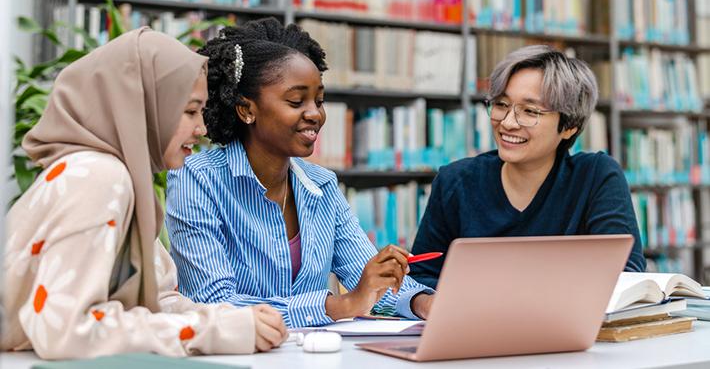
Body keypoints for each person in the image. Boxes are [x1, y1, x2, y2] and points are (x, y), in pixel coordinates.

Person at [2, 28, 286, 360]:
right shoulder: (99, 177)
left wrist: (231, 321)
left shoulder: (124, 181)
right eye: (190, 111)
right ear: (144, 106)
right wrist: (215, 331)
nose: (202, 129)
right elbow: (66, 330)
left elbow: (157, 302)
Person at [166, 18, 435, 327]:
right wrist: (340, 304)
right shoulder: (196, 179)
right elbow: (215, 303)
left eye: (319, 101)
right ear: (246, 109)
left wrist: (424, 302)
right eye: (296, 101)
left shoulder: (322, 185)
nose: (315, 114)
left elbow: (367, 279)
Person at [410, 45, 646, 289]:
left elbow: (624, 273)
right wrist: (426, 302)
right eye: (501, 105)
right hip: (475, 325)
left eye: (530, 111)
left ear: (569, 126)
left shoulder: (596, 176)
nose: (508, 123)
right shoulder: (455, 180)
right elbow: (421, 276)